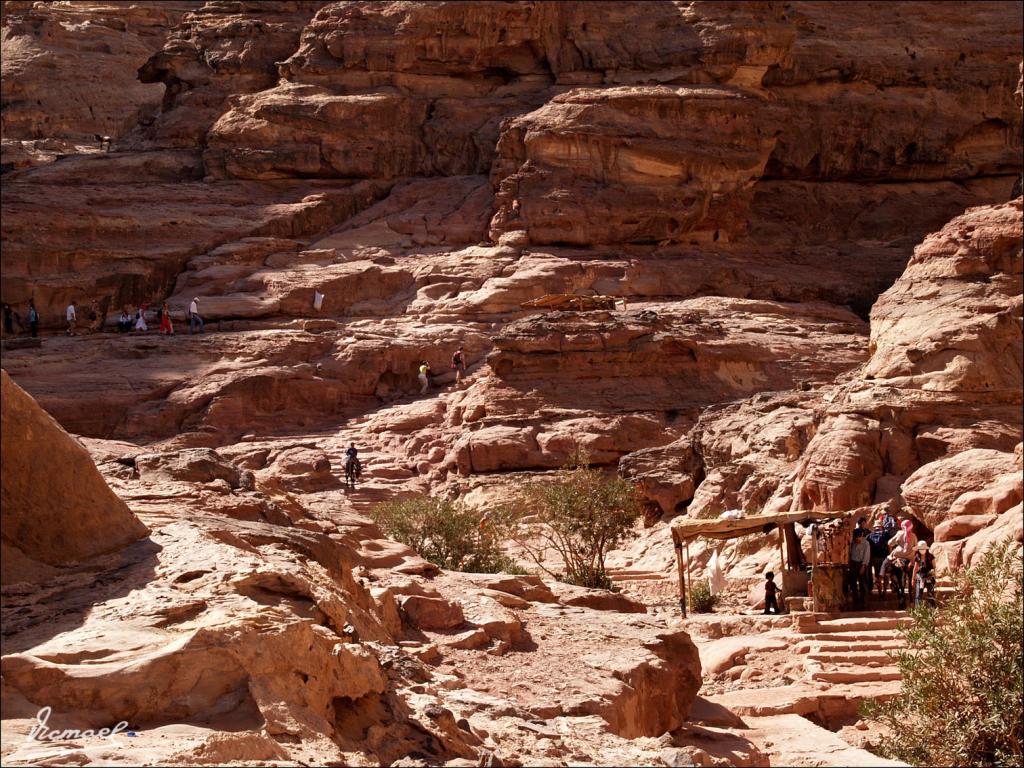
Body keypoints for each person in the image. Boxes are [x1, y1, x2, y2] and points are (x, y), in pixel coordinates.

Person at [887, 519, 917, 610]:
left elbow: (889, 543)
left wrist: (891, 552)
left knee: (887, 565)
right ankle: (912, 600)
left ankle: (901, 598)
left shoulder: (899, 533)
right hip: (910, 560)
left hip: (899, 558)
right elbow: (916, 548)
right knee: (911, 578)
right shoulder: (913, 535)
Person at [848, 529, 872, 609]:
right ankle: (856, 602)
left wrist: (863, 566)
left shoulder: (866, 544)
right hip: (853, 564)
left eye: (860, 537)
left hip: (862, 564)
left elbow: (867, 556)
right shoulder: (852, 543)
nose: (858, 539)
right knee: (853, 584)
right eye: (857, 537)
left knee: (863, 584)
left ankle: (864, 603)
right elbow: (850, 554)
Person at [911, 541, 937, 609]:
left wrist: (933, 574)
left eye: (923, 548)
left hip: (929, 577)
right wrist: (913, 578)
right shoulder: (917, 557)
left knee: (930, 594)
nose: (922, 550)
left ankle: (932, 610)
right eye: (920, 548)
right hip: (920, 577)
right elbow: (915, 568)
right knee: (918, 595)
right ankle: (918, 610)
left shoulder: (931, 556)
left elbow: (934, 567)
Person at [867, 522, 890, 596]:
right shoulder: (886, 534)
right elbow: (889, 545)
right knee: (885, 575)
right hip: (884, 557)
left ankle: (880, 592)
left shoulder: (870, 536)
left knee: (877, 575)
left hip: (875, 558)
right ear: (882, 527)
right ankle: (885, 591)